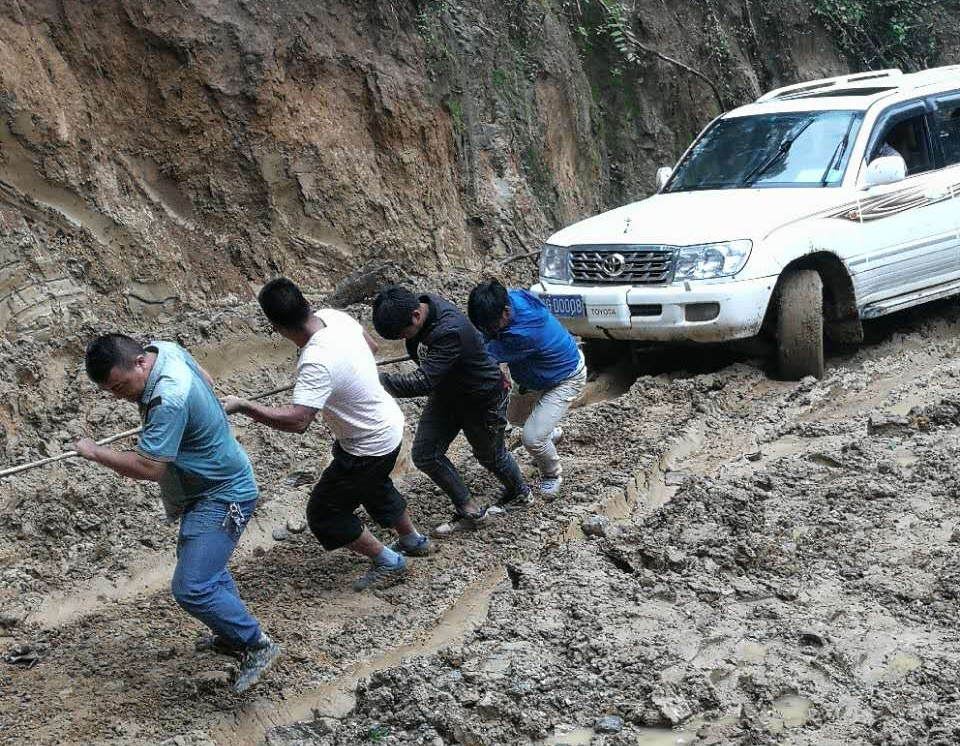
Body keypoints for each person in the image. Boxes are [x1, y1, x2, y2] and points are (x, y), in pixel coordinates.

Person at [76, 334, 280, 693]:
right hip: (206, 487)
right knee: (205, 570)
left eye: (120, 386)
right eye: (109, 390)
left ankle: (255, 643)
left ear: (140, 363)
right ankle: (231, 634)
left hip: (223, 492)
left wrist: (96, 453)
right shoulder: (164, 348)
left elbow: (149, 467)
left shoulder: (168, 398)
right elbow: (207, 379)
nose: (118, 395)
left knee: (193, 587)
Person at [223, 278, 433, 592]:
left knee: (325, 512)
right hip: (389, 424)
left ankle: (390, 562)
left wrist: (245, 406)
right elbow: (372, 347)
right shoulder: (335, 316)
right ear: (305, 302)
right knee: (373, 484)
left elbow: (298, 421)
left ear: (276, 326)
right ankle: (412, 540)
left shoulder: (315, 363)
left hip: (368, 443)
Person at [371, 285, 530, 533]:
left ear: (415, 315)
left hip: (482, 399)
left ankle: (520, 493)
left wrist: (373, 379)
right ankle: (469, 509)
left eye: (405, 334)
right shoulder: (422, 307)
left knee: (491, 456)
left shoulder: (448, 330)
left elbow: (422, 381)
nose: (406, 339)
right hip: (446, 394)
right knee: (425, 454)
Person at [467, 280, 586, 498]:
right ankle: (550, 433)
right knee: (517, 418)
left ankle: (552, 475)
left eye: (492, 326)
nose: (489, 331)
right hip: (533, 375)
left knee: (532, 439)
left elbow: (483, 355)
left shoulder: (525, 333)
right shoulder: (510, 299)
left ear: (506, 311)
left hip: (565, 377)